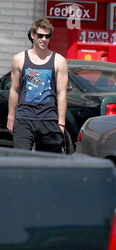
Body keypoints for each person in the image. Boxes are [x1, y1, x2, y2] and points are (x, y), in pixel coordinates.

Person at [7, 18, 68, 153]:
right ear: (33, 35)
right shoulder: (19, 59)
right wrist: (11, 117)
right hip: (24, 118)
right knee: (21, 161)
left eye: (47, 36)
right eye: (40, 35)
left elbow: (62, 94)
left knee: (48, 164)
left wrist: (61, 123)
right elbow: (14, 90)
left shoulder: (59, 61)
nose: (44, 39)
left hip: (48, 119)